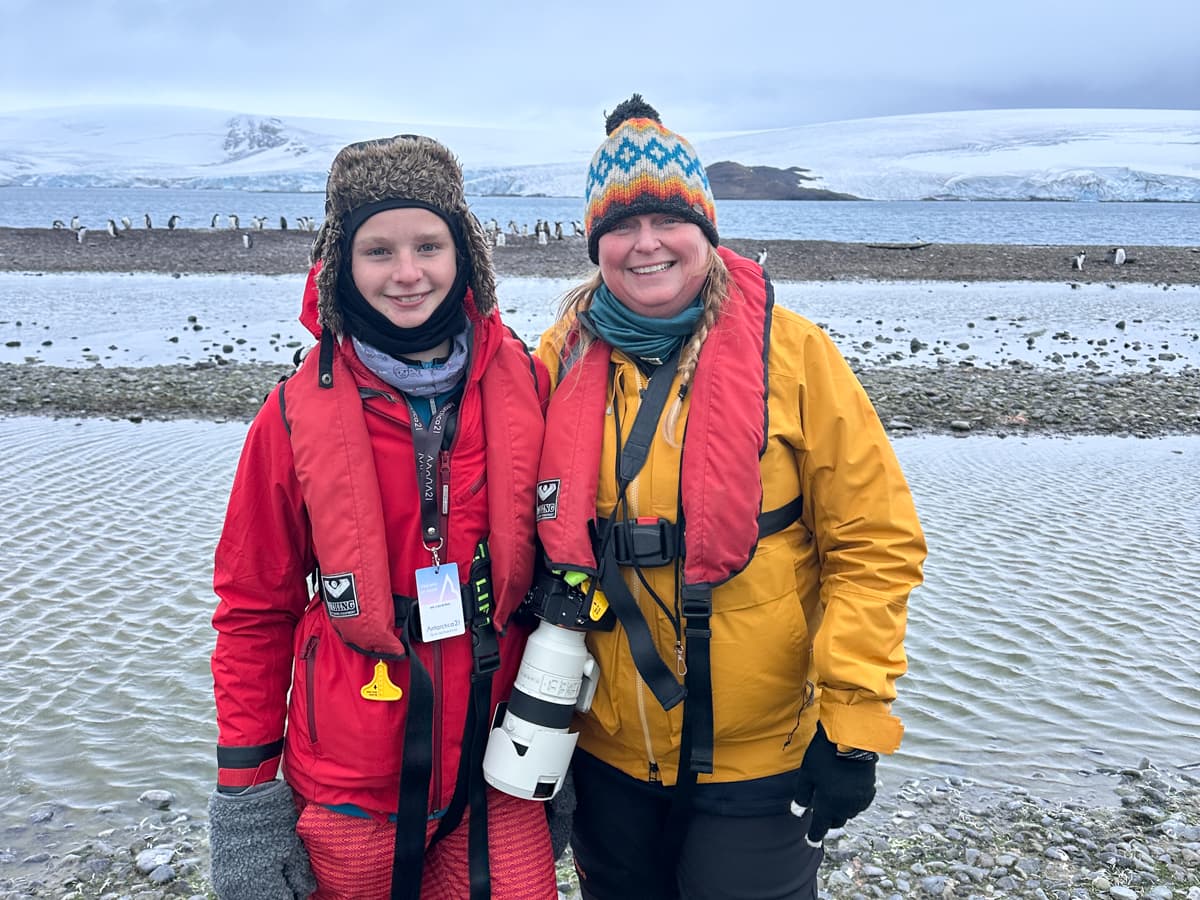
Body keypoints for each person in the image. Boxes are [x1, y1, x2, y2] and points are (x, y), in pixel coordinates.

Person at [532, 95, 927, 899]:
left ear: (706, 233)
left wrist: (852, 728)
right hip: (607, 752)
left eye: (667, 222)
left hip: (759, 756)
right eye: (620, 227)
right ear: (594, 244)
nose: (645, 245)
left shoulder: (796, 354)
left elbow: (876, 542)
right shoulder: (559, 359)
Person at [208, 134, 558, 900]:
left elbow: (570, 575)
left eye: (429, 245)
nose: (407, 274)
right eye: (378, 250)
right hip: (347, 783)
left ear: (464, 252)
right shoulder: (292, 414)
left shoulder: (529, 381)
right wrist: (245, 800)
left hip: (496, 767)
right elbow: (252, 609)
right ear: (341, 266)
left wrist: (566, 754)